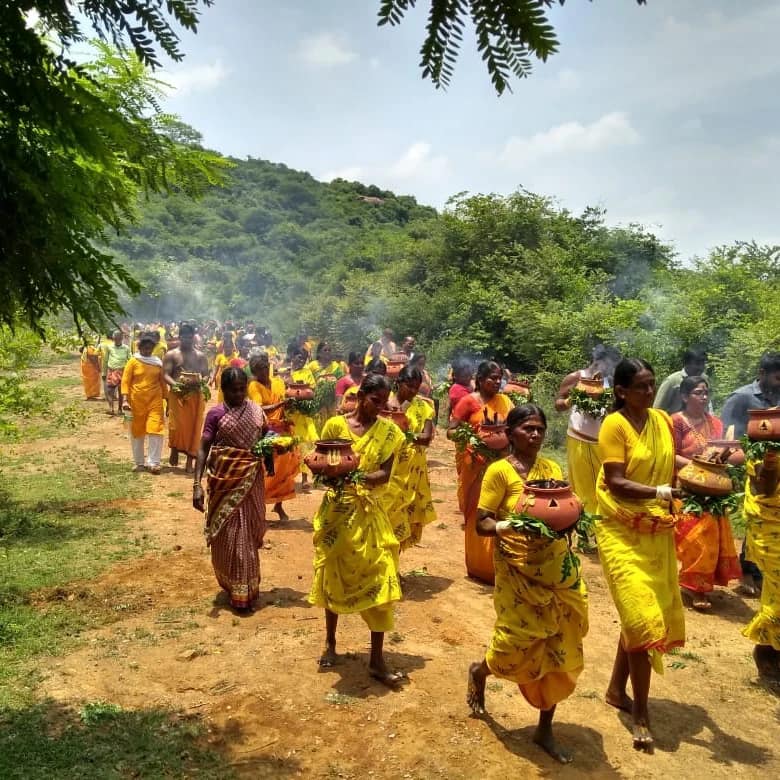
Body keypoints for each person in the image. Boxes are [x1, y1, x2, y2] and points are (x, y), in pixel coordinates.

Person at [467, 404, 588, 764]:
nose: (534, 435)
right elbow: (482, 523)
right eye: (527, 429)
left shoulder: (550, 469)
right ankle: (482, 669)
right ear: (510, 432)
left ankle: (544, 727)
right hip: (517, 571)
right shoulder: (499, 473)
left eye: (539, 429)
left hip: (555, 569)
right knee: (515, 641)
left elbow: (563, 508)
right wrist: (512, 526)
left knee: (557, 642)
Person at [595, 358, 685, 752]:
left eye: (651, 385)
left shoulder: (660, 421)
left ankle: (617, 690)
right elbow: (615, 482)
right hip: (619, 527)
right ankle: (641, 716)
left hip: (655, 529)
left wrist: (699, 465)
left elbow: (672, 461)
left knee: (639, 614)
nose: (649, 393)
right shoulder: (614, 425)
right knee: (642, 619)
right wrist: (661, 493)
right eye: (642, 387)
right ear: (621, 392)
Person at [309, 374, 406, 686]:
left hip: (369, 513)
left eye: (383, 402)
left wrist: (358, 478)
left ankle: (377, 659)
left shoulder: (390, 433)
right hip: (338, 512)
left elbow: (385, 475)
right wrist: (333, 474)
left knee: (382, 575)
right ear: (361, 395)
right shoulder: (336, 426)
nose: (379, 408)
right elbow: (321, 463)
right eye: (374, 401)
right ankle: (330, 642)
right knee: (332, 574)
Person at [192, 368, 268, 611]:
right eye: (233, 390)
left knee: (248, 533)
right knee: (230, 535)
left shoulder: (256, 410)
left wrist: (272, 456)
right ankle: (237, 589)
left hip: (251, 480)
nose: (238, 394)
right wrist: (196, 485)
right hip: (225, 481)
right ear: (223, 390)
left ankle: (247, 588)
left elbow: (265, 437)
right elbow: (203, 448)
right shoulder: (215, 414)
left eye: (242, 389)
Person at [671, 376, 741, 610]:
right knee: (698, 535)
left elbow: (725, 453)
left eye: (705, 393)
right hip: (685, 488)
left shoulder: (716, 423)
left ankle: (704, 582)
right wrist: (696, 470)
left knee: (715, 533)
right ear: (684, 396)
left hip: (713, 489)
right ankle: (694, 588)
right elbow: (670, 455)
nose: (703, 397)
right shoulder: (676, 422)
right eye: (698, 393)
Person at [448, 360, 514, 584]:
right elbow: (451, 430)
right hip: (475, 464)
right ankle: (479, 566)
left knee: (500, 509)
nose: (496, 382)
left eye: (499, 378)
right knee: (478, 510)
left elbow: (515, 426)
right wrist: (474, 440)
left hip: (502, 463)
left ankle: (498, 565)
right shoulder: (469, 401)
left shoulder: (505, 401)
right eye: (492, 378)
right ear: (480, 379)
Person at [721, 351, 780, 596]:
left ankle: (765, 569)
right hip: (751, 467)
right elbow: (727, 436)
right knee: (757, 517)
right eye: (778, 378)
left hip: (776, 469)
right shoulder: (742, 398)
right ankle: (747, 569)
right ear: (762, 374)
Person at [554, 345, 621, 514]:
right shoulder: (576, 377)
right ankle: (585, 518)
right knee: (583, 483)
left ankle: (601, 516)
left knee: (603, 482)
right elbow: (558, 405)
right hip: (580, 439)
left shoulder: (608, 382)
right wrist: (571, 399)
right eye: (609, 364)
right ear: (598, 361)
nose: (610, 369)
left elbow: (615, 409)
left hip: (603, 441)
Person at [742, 444, 780, 681]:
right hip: (771, 524)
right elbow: (764, 488)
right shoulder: (766, 437)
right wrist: (769, 463)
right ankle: (767, 653)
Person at [387, 365, 436, 549]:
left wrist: (406, 435)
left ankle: (395, 563)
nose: (413, 391)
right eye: (409, 385)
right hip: (391, 468)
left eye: (416, 387)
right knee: (390, 512)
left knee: (407, 516)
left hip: (415, 470)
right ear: (399, 382)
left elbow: (425, 439)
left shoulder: (424, 407)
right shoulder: (385, 404)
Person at [247, 352, 299, 522]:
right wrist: (280, 404)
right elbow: (259, 408)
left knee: (284, 468)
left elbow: (283, 402)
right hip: (264, 430)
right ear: (254, 371)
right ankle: (259, 505)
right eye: (259, 369)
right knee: (266, 469)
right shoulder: (254, 386)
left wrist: (286, 413)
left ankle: (279, 505)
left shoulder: (277, 383)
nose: (263, 372)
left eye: (265, 367)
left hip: (281, 429)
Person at [163, 323, 210, 474]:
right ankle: (175, 448)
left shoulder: (200, 356)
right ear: (179, 337)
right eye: (184, 337)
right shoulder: (171, 354)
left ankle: (190, 462)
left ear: (193, 337)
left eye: (190, 337)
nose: (187, 340)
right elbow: (165, 375)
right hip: (177, 395)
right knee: (176, 426)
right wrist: (176, 385)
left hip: (196, 395)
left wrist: (203, 381)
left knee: (194, 429)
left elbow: (206, 374)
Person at [121, 332, 167, 474]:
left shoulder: (158, 363)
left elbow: (163, 383)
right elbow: (125, 381)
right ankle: (139, 462)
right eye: (144, 348)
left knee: (156, 429)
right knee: (137, 431)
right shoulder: (133, 361)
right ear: (139, 347)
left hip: (155, 400)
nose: (147, 351)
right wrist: (124, 399)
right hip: (136, 401)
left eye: (149, 348)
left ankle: (154, 463)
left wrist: (168, 400)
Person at [289, 347, 319, 493]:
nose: (300, 360)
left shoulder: (307, 373)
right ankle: (287, 479)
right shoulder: (286, 373)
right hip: (291, 416)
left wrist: (302, 396)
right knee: (291, 447)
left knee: (306, 445)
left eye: (303, 358)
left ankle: (306, 479)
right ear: (292, 357)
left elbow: (312, 392)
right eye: (298, 357)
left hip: (304, 417)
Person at [653, 347, 708, 414]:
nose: (701, 367)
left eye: (703, 363)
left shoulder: (704, 379)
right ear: (686, 363)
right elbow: (657, 409)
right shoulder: (672, 381)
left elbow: (707, 406)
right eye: (697, 363)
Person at [101, 330, 131, 415]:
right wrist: (104, 372)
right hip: (112, 371)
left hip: (123, 371)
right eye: (115, 338)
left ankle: (120, 409)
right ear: (113, 339)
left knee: (121, 391)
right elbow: (105, 360)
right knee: (109, 390)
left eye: (119, 338)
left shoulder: (126, 348)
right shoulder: (109, 347)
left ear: (122, 339)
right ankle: (111, 408)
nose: (117, 340)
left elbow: (130, 359)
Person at [211, 332, 239, 403]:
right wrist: (213, 378)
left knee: (231, 399)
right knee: (221, 399)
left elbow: (239, 370)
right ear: (223, 347)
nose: (228, 349)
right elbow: (216, 369)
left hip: (232, 381)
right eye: (226, 347)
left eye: (229, 347)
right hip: (222, 381)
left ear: (232, 347)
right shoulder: (219, 356)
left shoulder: (235, 356)